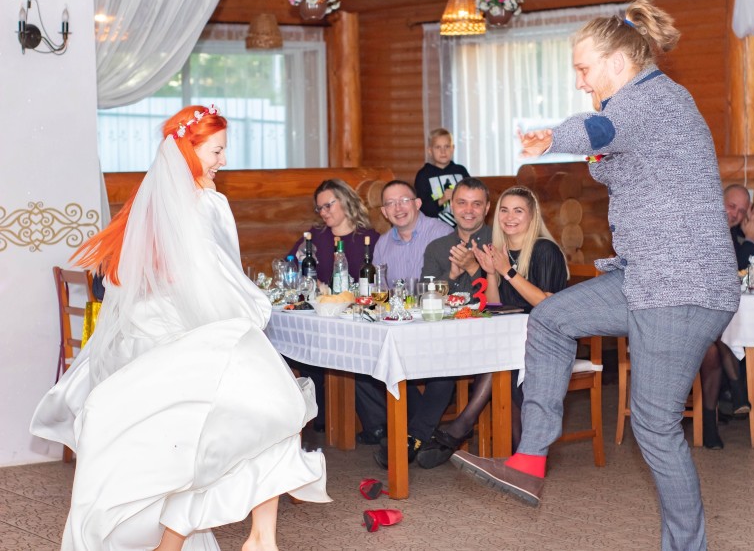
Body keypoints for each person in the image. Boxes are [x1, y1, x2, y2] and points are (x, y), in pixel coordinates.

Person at [449, 0, 739, 551]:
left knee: (653, 425)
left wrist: (552, 137)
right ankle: (530, 459)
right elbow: (612, 138)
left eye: (584, 69)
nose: (580, 81)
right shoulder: (643, 105)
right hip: (647, 278)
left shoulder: (655, 100)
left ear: (618, 62)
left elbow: (600, 126)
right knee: (551, 318)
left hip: (683, 285)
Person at [30, 105, 330, 551]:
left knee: (190, 448)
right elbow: (217, 275)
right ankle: (256, 538)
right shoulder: (206, 202)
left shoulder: (152, 205)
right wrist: (256, 305)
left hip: (154, 344)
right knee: (270, 415)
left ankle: (244, 538)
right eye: (216, 150)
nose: (223, 160)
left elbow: (133, 280)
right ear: (189, 150)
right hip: (190, 340)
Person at [416, 185, 567, 469]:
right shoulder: (500, 251)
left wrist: (506, 271)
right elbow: (497, 305)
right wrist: (489, 273)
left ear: (532, 215)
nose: (509, 217)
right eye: (504, 211)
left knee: (500, 360)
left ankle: (461, 427)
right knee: (498, 357)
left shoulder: (545, 250)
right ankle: (518, 452)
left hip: (548, 338)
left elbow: (546, 304)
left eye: (518, 211)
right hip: (512, 338)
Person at [352, 180, 455, 463]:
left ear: (418, 204)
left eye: (404, 200)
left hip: (438, 326)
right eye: (390, 203)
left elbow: (453, 283)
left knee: (444, 368)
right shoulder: (383, 244)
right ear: (384, 212)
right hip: (402, 329)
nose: (398, 208)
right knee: (371, 360)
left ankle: (413, 436)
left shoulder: (441, 233)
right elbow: (381, 292)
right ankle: (425, 434)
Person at [287, 178, 379, 431]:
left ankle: (370, 424)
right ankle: (321, 417)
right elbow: (291, 264)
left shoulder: (369, 238)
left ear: (346, 201)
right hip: (321, 316)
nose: (324, 212)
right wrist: (304, 273)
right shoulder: (315, 236)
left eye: (328, 205)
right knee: (304, 350)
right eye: (320, 208)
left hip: (356, 317)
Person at [698, 184, 754, 449]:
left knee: (713, 348)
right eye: (731, 206)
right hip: (686, 311)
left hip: (710, 318)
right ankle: (738, 389)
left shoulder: (731, 232)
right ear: (719, 200)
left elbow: (741, 269)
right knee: (717, 329)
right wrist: (749, 240)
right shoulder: (702, 228)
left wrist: (751, 239)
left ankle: (710, 424)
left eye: (741, 211)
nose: (735, 214)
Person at [421, 177, 492, 293]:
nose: (468, 210)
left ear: (487, 208)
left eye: (476, 204)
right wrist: (451, 276)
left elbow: (505, 297)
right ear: (452, 205)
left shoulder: (499, 243)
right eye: (462, 203)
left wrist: (473, 269)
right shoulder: (436, 248)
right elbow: (424, 296)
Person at [414, 128, 471, 227]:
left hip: (463, 225)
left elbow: (472, 194)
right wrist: (442, 199)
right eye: (438, 147)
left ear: (453, 148)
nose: (443, 151)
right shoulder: (423, 175)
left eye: (447, 146)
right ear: (430, 151)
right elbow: (421, 208)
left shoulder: (461, 171)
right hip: (434, 228)